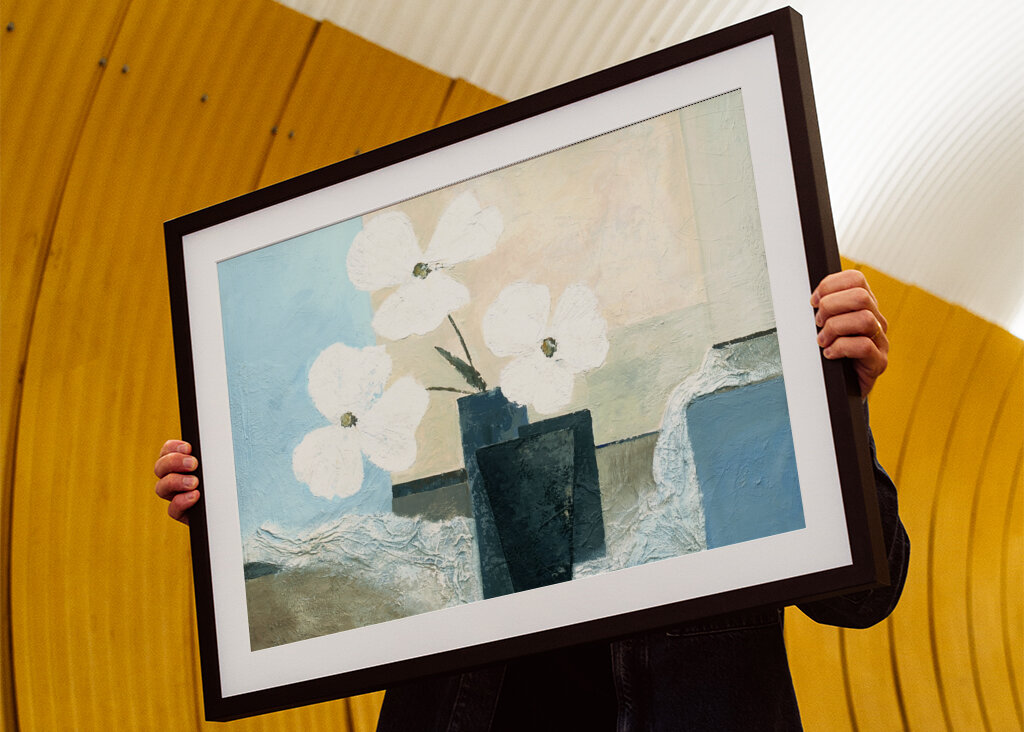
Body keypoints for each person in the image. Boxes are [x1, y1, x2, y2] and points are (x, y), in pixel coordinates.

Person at [154, 270, 908, 730]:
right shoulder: (472, 460)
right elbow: (361, 561)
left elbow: (864, 595)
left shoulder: (733, 411)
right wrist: (237, 503)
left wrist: (835, 409)